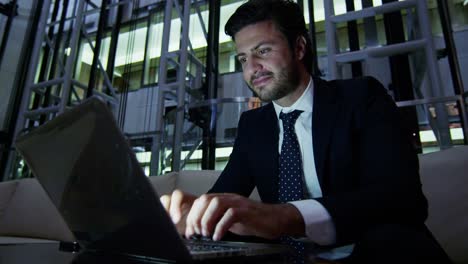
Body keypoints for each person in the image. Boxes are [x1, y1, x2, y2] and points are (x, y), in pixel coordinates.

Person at [160, 0, 452, 263]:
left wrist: (286, 216)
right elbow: (226, 196)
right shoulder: (254, 125)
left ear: (299, 48)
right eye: (243, 58)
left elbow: (403, 200)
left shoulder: (361, 97)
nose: (253, 68)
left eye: (263, 51)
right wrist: (193, 212)